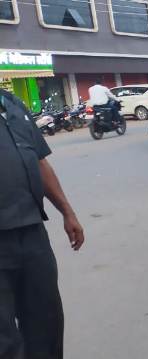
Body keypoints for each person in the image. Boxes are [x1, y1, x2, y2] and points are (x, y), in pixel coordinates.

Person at [0, 89, 85, 359]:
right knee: (4, 338)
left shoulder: (13, 105)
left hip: (32, 234)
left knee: (45, 321)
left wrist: (67, 211)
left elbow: (39, 162)